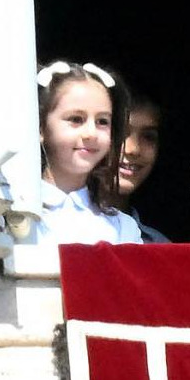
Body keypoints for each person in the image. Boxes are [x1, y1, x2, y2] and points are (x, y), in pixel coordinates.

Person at [35, 60, 142, 245]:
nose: (91, 133)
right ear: (40, 128)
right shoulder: (9, 214)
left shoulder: (122, 227)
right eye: (76, 119)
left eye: (102, 121)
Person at [115, 88, 170, 243]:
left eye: (148, 136)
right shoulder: (47, 229)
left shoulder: (159, 248)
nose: (133, 149)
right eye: (119, 132)